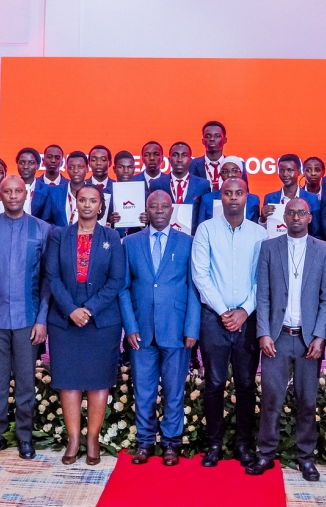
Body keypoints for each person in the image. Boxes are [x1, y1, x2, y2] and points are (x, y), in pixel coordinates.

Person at [248, 198, 326, 481]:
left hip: (309, 340)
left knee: (307, 400)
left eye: (301, 213)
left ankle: (305, 458)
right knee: (272, 398)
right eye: (291, 213)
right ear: (284, 217)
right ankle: (265, 454)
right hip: (278, 336)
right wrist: (263, 333)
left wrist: (320, 336)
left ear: (309, 218)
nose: (296, 217)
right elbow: (263, 295)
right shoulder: (269, 247)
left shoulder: (324, 250)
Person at [0, 176, 52, 459]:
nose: (13, 195)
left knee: (27, 381)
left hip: (28, 321)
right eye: (8, 191)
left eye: (18, 191)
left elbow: (47, 281)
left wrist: (42, 319)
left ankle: (25, 437)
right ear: (0, 196)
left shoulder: (42, 230)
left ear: (26, 193)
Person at [45, 184, 126, 465]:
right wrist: (71, 310)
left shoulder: (112, 237)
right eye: (83, 200)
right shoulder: (59, 235)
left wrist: (88, 309)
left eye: (94, 200)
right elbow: (52, 276)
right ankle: (74, 439)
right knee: (68, 381)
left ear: (101, 206)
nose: (88, 205)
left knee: (97, 382)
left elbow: (117, 280)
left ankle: (92, 439)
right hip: (65, 320)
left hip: (100, 320)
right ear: (75, 203)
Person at [191, 176, 266, 467]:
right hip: (214, 318)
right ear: (219, 197)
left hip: (248, 319)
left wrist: (245, 310)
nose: (233, 198)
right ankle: (214, 445)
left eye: (239, 193)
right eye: (227, 193)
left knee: (246, 383)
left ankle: (244, 445)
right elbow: (201, 275)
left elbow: (263, 278)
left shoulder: (259, 233)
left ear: (247, 196)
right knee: (214, 382)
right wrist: (224, 311)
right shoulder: (206, 229)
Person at [119, 190, 199, 467]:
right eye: (155, 206)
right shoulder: (129, 243)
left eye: (165, 206)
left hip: (177, 330)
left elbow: (193, 289)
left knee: (175, 390)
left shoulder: (187, 243)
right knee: (144, 390)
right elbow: (123, 288)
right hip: (140, 331)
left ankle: (171, 444)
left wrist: (192, 328)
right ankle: (144, 442)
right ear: (147, 210)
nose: (161, 211)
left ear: (172, 209)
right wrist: (129, 327)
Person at [148, 142, 211, 234]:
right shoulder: (156, 184)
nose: (179, 159)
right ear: (169, 159)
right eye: (175, 155)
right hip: (164, 235)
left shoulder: (203, 184)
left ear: (190, 160)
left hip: (193, 237)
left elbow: (205, 214)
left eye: (184, 155)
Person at [260, 154, 322, 239]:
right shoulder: (270, 198)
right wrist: (262, 219)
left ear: (299, 171)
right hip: (276, 247)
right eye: (281, 170)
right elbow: (263, 231)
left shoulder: (312, 198)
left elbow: (316, 231)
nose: (285, 174)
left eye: (289, 170)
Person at [194, 157, 259, 230]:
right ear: (220, 175)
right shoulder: (207, 199)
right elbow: (201, 227)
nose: (230, 174)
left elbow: (256, 227)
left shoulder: (253, 200)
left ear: (241, 173)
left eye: (234, 171)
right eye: (225, 171)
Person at [42, 151, 90, 228]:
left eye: (80, 167)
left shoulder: (95, 192)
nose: (75, 171)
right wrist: (61, 233)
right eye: (71, 167)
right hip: (60, 238)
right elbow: (46, 221)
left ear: (87, 169)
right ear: (66, 169)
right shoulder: (54, 192)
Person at [191, 121, 245, 188]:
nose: (212, 139)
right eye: (208, 136)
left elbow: (245, 193)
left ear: (225, 140)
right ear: (203, 141)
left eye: (217, 136)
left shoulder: (238, 165)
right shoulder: (191, 165)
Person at [11, 147, 50, 217]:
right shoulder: (9, 189)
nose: (26, 166)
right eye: (22, 163)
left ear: (37, 166)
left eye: (30, 163)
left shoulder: (48, 191)